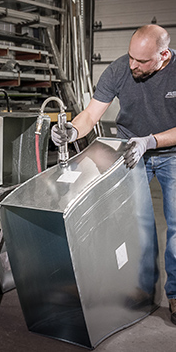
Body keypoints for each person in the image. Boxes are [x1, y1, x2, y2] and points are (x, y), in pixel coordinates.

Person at [51, 24, 176, 324]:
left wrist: (151, 141)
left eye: (142, 61)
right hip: (130, 152)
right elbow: (91, 114)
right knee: (135, 226)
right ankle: (141, 290)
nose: (133, 65)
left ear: (163, 55)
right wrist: (71, 130)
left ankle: (175, 294)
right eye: (131, 56)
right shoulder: (121, 68)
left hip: (171, 153)